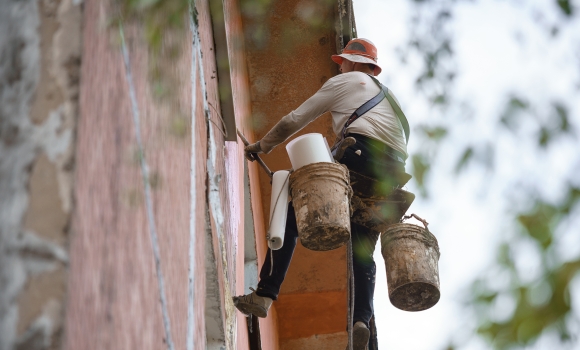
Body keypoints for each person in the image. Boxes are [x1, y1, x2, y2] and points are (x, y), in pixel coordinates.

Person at [233, 38, 409, 349]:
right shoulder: (391, 100)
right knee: (363, 247)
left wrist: (262, 146)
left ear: (353, 63)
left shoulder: (347, 80)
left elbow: (295, 119)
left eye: (341, 61)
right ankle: (361, 321)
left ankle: (265, 293)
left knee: (292, 210)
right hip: (391, 177)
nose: (339, 66)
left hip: (359, 155)